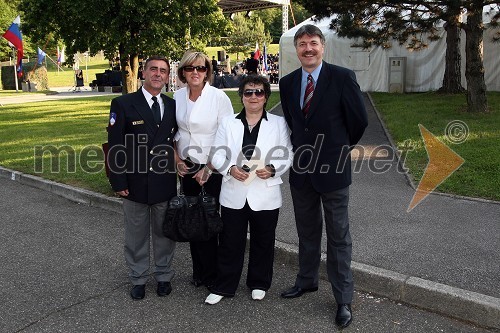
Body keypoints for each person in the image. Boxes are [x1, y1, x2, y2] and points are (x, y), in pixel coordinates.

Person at [279, 24, 368, 328]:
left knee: (339, 237)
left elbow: (358, 121)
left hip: (333, 171)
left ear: (323, 46)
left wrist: (337, 150)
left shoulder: (342, 78)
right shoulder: (288, 82)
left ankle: (343, 298)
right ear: (297, 49)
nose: (308, 49)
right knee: (306, 232)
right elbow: (294, 123)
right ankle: (306, 281)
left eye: (313, 43)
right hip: (301, 172)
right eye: (302, 44)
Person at [204, 75, 293, 305]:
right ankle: (224, 285)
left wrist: (273, 169)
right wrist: (230, 168)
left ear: (266, 97)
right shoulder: (228, 123)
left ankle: (259, 282)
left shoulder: (278, 123)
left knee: (264, 241)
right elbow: (216, 153)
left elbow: (287, 153)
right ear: (241, 96)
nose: (254, 96)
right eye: (248, 92)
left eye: (259, 92)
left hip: (265, 192)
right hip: (234, 192)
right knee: (230, 241)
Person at [107, 55, 177, 300]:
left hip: (164, 181)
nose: (158, 74)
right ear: (144, 73)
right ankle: (137, 278)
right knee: (136, 235)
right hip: (134, 182)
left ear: (168, 77)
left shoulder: (171, 105)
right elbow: (115, 146)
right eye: (154, 69)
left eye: (163, 71)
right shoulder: (123, 103)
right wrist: (118, 181)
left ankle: (163, 275)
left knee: (164, 234)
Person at [174, 51, 234, 289]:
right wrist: (177, 159)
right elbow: (172, 132)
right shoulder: (177, 96)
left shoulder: (219, 98)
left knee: (209, 221)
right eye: (190, 68)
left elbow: (228, 136)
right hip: (186, 167)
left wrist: (208, 167)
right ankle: (198, 270)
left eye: (200, 68)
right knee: (192, 220)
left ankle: (213, 273)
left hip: (213, 167)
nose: (195, 73)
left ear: (207, 71)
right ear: (183, 72)